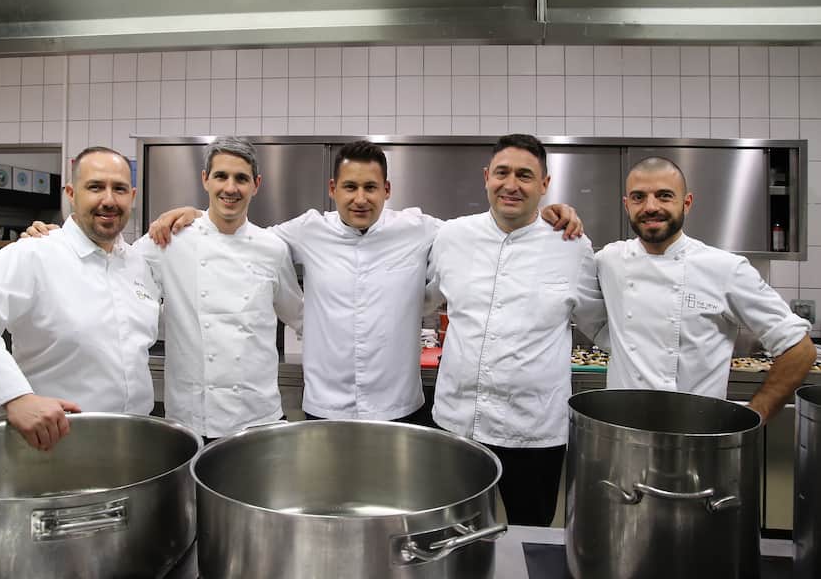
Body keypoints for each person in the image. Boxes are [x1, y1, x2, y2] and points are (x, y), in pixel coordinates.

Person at [147, 140, 584, 423]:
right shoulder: (304, 230)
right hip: (324, 410)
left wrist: (548, 214)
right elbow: (242, 240)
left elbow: (487, 232)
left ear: (388, 190)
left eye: (371, 188)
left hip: (400, 409)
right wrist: (194, 216)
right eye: (350, 187)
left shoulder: (421, 229)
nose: (361, 198)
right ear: (333, 188)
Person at [425, 134, 606, 526]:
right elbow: (424, 298)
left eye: (525, 175)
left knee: (531, 537)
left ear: (545, 184)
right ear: (486, 177)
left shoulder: (572, 245)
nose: (511, 184)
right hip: (458, 423)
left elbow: (600, 325)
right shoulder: (452, 237)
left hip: (534, 431)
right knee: (453, 535)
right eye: (502, 173)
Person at [0, 146, 160, 451]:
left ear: (132, 197)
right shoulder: (35, 253)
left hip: (132, 441)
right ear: (71, 193)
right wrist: (14, 397)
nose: (108, 200)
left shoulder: (136, 264)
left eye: (119, 189)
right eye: (95, 187)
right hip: (54, 443)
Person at [596, 156, 815, 422]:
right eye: (638, 197)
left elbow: (800, 349)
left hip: (698, 439)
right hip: (624, 433)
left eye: (664, 196)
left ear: (686, 203)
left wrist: (753, 418)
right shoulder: (609, 260)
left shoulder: (725, 269)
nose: (650, 207)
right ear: (627, 205)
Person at [134, 138, 303, 439]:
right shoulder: (170, 239)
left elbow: (299, 315)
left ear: (256, 184)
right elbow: (112, 260)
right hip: (192, 417)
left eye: (241, 178)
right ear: (205, 180)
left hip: (258, 416)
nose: (230, 188)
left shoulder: (273, 249)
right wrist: (53, 237)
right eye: (221, 176)